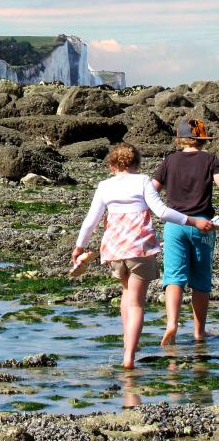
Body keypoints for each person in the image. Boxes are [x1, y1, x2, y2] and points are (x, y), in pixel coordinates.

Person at [71, 142, 213, 369]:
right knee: (137, 303)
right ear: (137, 164)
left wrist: (79, 247)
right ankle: (129, 357)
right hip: (140, 249)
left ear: (111, 166)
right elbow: (162, 212)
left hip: (115, 250)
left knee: (126, 294)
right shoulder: (143, 181)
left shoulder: (105, 186)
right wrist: (194, 220)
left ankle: (130, 344)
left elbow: (91, 221)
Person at [152, 118, 219, 346]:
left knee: (174, 277)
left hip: (175, 224)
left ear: (180, 138)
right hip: (203, 224)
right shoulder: (210, 159)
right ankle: (199, 331)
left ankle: (172, 324)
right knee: (200, 280)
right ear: (201, 139)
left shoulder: (169, 161)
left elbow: (152, 191)